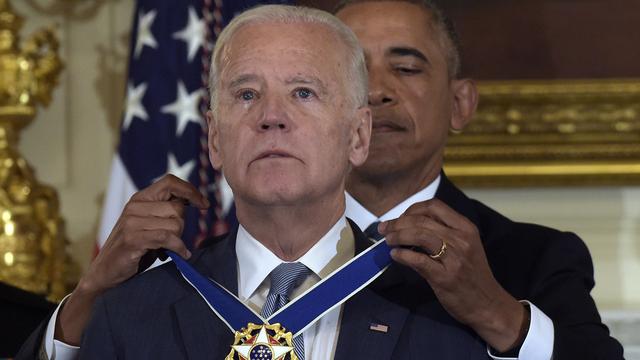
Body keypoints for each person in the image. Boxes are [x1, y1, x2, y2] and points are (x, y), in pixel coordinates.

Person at [19, 4, 489, 359]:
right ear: (216, 139)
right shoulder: (130, 314)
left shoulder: (435, 308)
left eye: (303, 92)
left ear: (358, 135)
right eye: (247, 94)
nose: (271, 117)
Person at [334, 0, 624, 359]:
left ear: (459, 104)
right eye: (353, 71)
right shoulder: (256, 243)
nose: (375, 91)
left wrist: (495, 312)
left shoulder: (536, 258)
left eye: (406, 68)